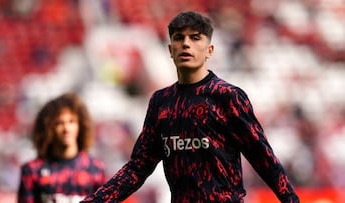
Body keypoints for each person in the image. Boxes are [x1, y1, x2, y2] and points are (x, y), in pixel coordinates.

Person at [80, 11, 299, 203]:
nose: (186, 44)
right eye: (179, 38)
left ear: (210, 50)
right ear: (170, 49)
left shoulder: (227, 97)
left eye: (195, 38)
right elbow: (138, 168)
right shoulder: (160, 102)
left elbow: (263, 158)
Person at [17, 93, 107, 203]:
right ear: (48, 128)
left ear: (81, 125)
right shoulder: (32, 171)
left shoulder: (95, 169)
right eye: (59, 123)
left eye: (71, 121)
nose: (66, 128)